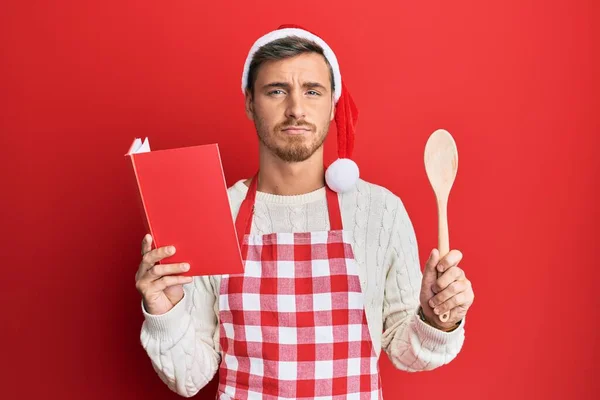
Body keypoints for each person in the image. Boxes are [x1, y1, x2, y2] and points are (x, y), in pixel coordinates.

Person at [135, 24, 475, 399]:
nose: (296, 109)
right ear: (249, 102)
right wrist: (164, 313)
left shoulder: (380, 211)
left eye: (312, 91)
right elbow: (190, 376)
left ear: (332, 105)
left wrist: (434, 318)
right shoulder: (215, 212)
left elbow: (407, 352)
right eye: (276, 91)